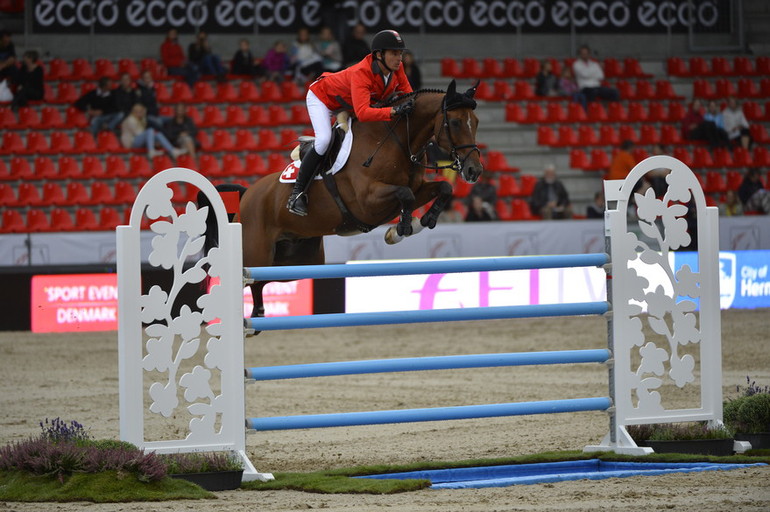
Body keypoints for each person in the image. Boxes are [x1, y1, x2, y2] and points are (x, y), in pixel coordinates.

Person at [286, 29, 414, 216]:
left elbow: (409, 96)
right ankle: (297, 194)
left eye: (400, 53)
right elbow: (363, 113)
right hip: (322, 98)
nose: (399, 58)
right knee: (324, 140)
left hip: (349, 104)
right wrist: (394, 111)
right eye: (394, 53)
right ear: (379, 55)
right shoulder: (362, 72)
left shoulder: (397, 68)